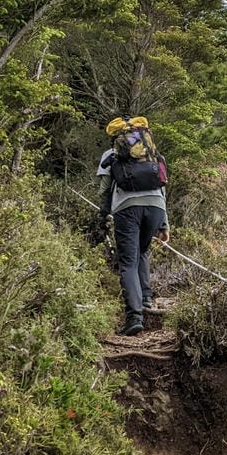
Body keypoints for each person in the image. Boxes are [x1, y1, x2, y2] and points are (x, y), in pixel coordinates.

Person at [96, 116, 169, 336]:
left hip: (127, 209)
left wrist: (102, 216)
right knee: (142, 251)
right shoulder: (152, 153)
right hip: (156, 207)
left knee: (127, 262)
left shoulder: (111, 154)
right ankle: (146, 297)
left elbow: (104, 190)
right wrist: (164, 224)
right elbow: (162, 188)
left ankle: (134, 317)